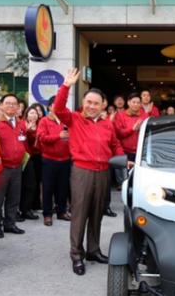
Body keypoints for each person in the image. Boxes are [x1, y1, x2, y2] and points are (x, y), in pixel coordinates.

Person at [53, 68, 127, 276]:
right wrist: (66, 86)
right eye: (89, 102)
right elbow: (59, 108)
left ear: (103, 105)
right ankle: (77, 254)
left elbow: (115, 146)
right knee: (79, 214)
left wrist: (124, 160)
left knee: (97, 214)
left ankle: (93, 250)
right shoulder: (74, 119)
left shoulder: (107, 124)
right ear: (84, 103)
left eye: (96, 103)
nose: (92, 106)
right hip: (82, 171)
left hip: (103, 172)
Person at [0, 94, 33, 238]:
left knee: (13, 198)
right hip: (0, 168)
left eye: (14, 104)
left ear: (18, 107)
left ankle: (10, 224)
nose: (11, 106)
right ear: (2, 105)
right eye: (8, 103)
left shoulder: (21, 123)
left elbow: (23, 142)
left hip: (17, 167)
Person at [37, 96, 71, 226]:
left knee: (63, 187)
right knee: (48, 188)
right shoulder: (44, 121)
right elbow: (42, 138)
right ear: (50, 107)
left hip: (66, 159)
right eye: (55, 105)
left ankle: (62, 211)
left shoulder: (67, 120)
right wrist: (59, 136)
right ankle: (47, 214)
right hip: (49, 159)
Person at [17, 105, 41, 221]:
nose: (34, 115)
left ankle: (26, 209)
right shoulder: (21, 124)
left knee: (31, 184)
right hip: (18, 159)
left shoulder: (40, 125)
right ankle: (16, 211)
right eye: (31, 113)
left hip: (29, 158)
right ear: (26, 114)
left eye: (35, 113)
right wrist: (27, 131)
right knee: (18, 187)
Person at [114, 93, 148, 163]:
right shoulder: (120, 115)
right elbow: (118, 134)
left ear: (140, 104)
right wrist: (131, 129)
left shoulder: (145, 115)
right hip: (125, 151)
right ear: (128, 102)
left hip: (141, 151)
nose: (135, 104)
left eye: (138, 102)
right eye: (133, 102)